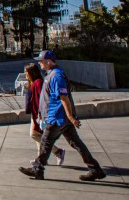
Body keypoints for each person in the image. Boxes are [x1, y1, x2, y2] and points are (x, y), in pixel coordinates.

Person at [18, 50, 106, 181]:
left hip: (56, 117)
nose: (40, 64)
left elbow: (64, 97)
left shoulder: (56, 76)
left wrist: (70, 117)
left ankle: (38, 169)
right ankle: (95, 169)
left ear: (48, 61)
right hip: (58, 117)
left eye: (41, 61)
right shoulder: (50, 75)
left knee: (45, 143)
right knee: (76, 143)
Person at [23, 62, 65, 164]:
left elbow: (40, 100)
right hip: (36, 114)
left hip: (38, 114)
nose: (25, 74)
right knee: (39, 135)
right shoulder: (35, 82)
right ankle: (40, 159)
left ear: (31, 72)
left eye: (26, 72)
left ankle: (57, 151)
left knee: (34, 134)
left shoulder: (38, 83)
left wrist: (40, 116)